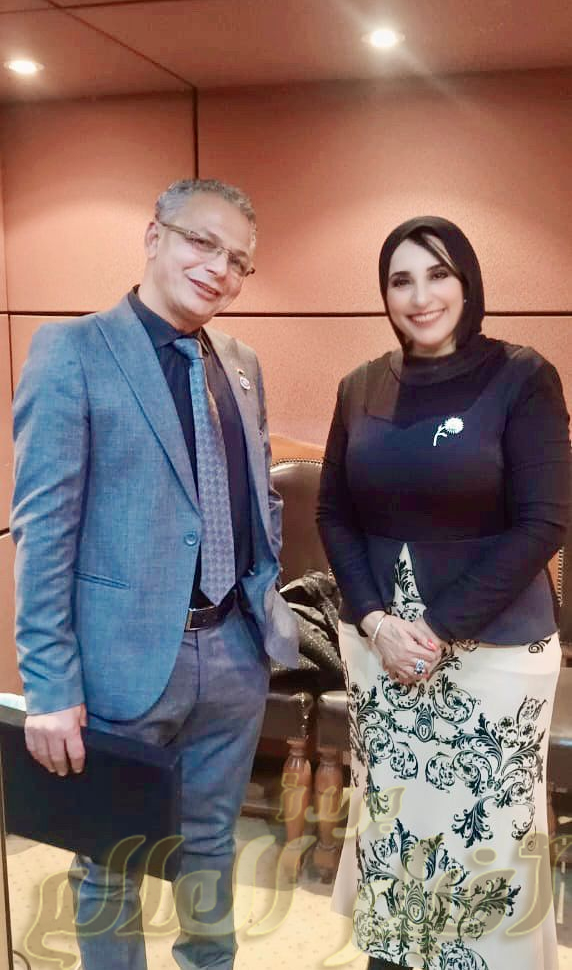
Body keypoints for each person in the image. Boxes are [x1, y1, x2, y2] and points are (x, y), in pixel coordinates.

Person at [11, 177, 298, 970]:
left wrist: (261, 599)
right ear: (154, 236)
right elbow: (44, 530)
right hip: (121, 661)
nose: (219, 269)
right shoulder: (72, 352)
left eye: (237, 260)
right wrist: (49, 684)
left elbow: (259, 492)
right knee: (111, 862)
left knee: (211, 844)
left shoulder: (241, 362)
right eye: (202, 242)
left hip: (233, 654)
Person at [317, 216, 570, 970]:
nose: (420, 295)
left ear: (468, 282)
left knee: (486, 840)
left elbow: (545, 521)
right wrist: (374, 621)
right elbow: (334, 513)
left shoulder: (523, 377)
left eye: (438, 274)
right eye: (401, 279)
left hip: (494, 651)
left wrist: (434, 628)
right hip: (381, 651)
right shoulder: (360, 386)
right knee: (395, 828)